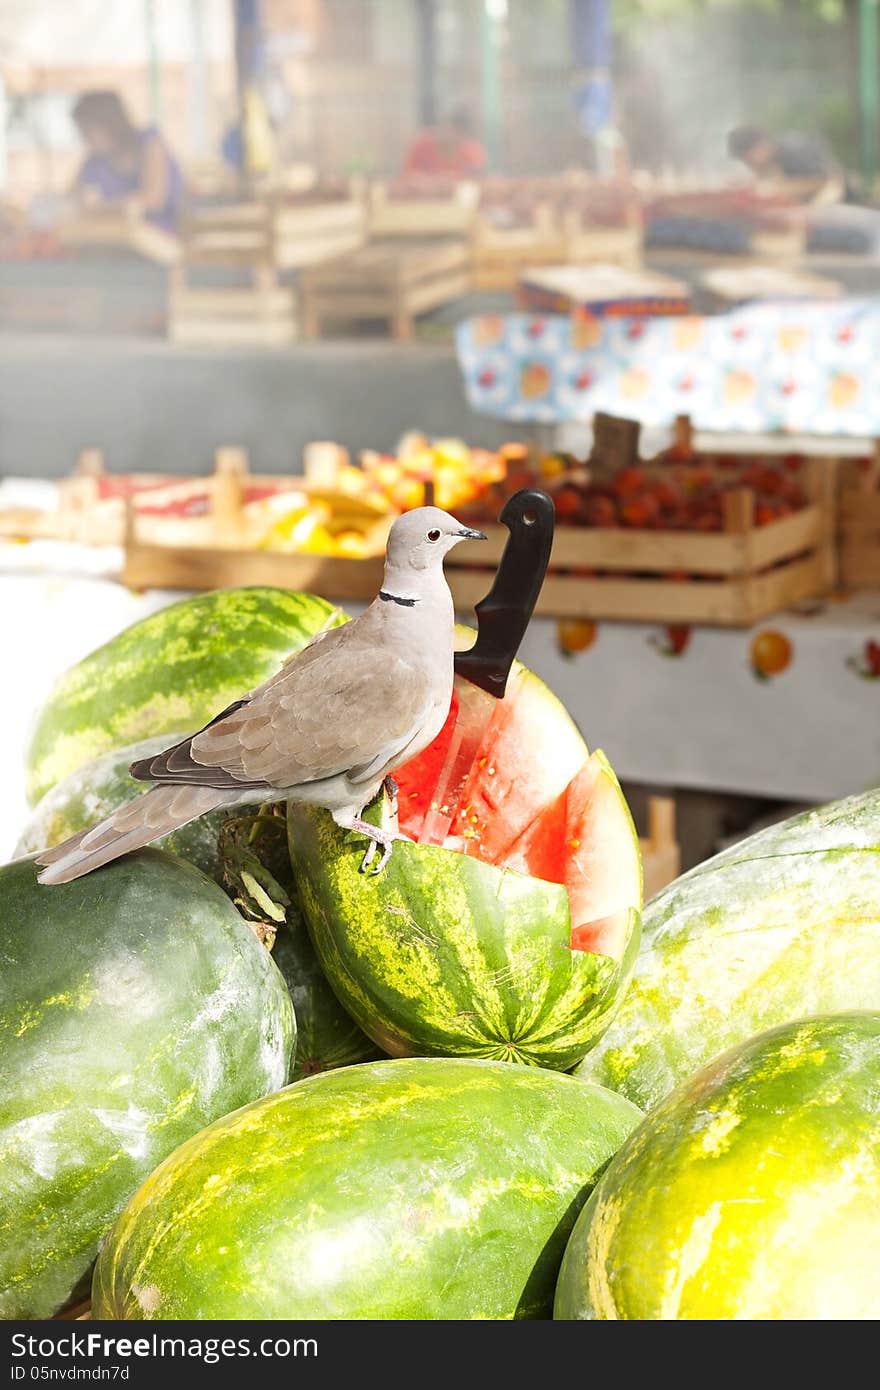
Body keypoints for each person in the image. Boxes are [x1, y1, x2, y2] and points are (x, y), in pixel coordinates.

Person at [71, 90, 184, 232]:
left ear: (110, 124)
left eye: (88, 131)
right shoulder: (94, 161)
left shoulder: (149, 144)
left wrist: (100, 208)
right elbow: (73, 200)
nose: (85, 139)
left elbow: (153, 200)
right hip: (116, 238)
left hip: (158, 237)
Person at [727, 124, 848, 205]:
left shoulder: (793, 151)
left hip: (844, 200)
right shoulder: (773, 160)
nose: (750, 166)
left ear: (761, 146)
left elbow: (824, 180)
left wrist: (774, 190)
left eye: (749, 161)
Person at [402, 106, 487, 182]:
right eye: (446, 128)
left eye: (455, 132)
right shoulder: (422, 144)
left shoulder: (472, 151)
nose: (448, 135)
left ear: (463, 135)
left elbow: (479, 177)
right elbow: (407, 175)